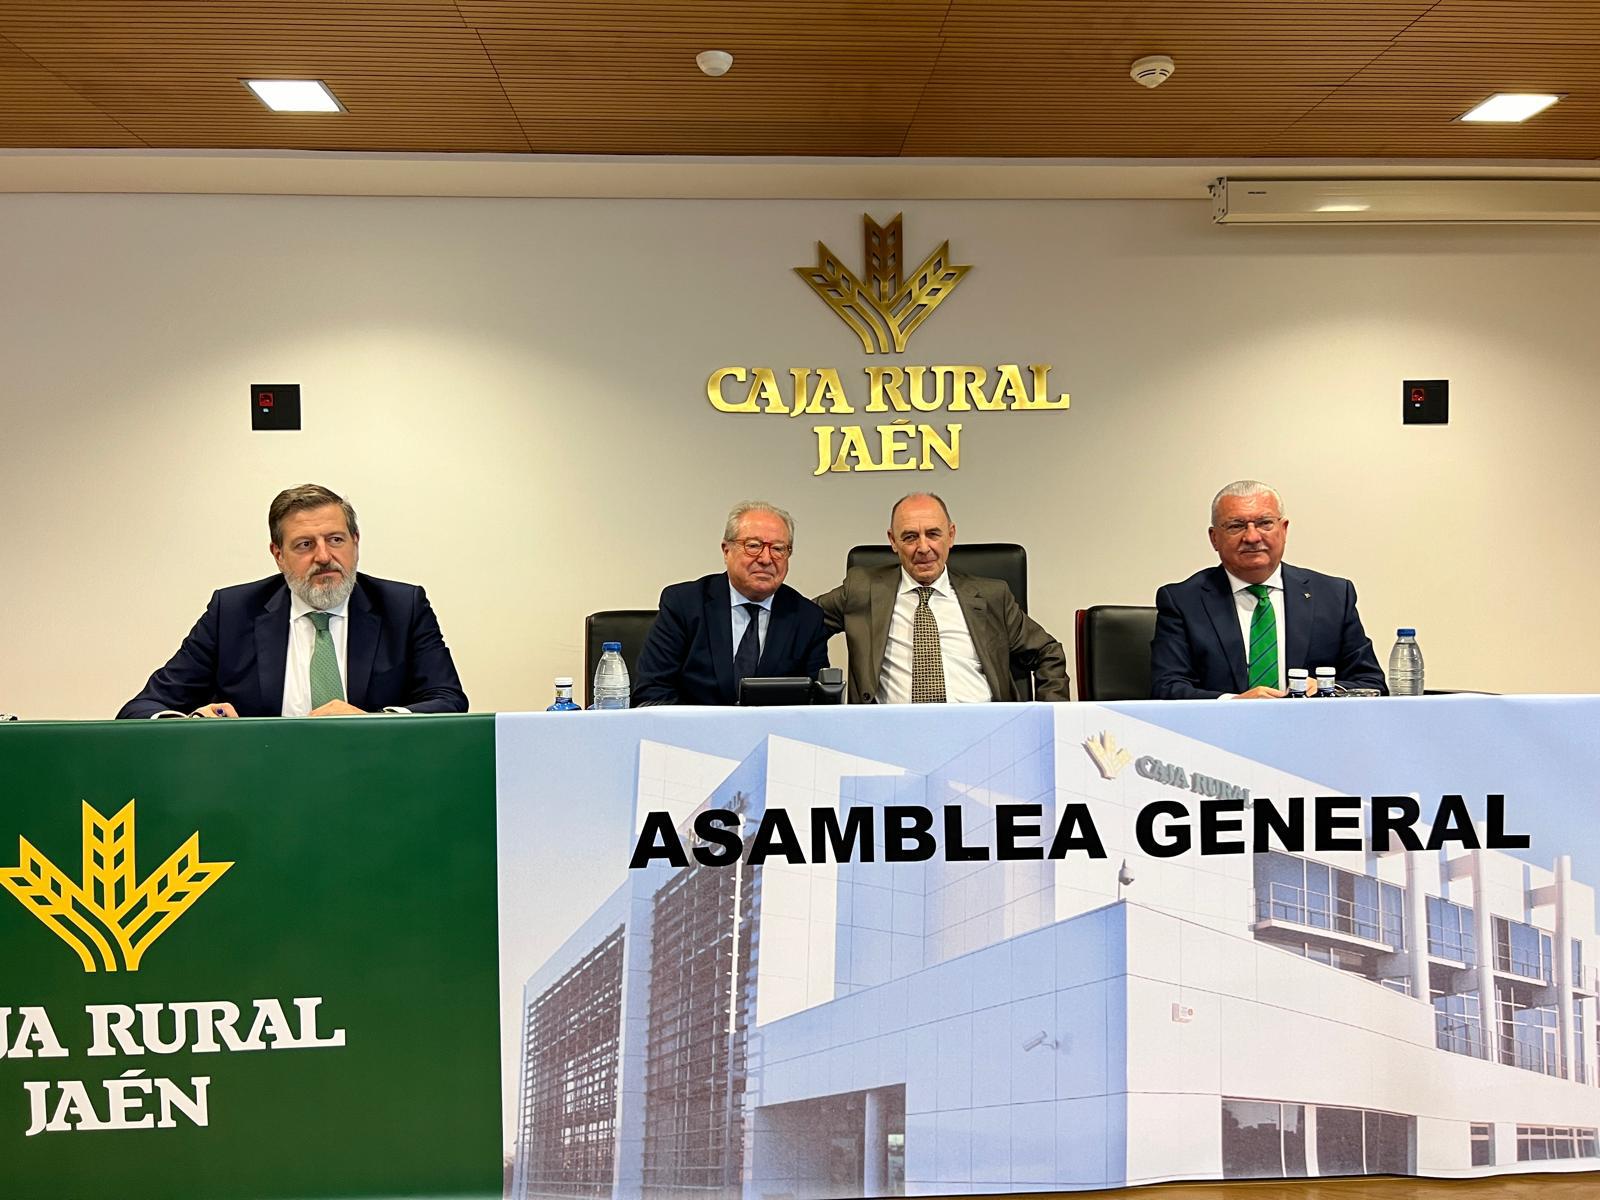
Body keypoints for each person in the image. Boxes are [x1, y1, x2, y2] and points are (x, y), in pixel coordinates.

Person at [117, 484, 468, 718]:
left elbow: (449, 701)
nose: (324, 556)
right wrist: (190, 722)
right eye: (304, 545)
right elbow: (142, 708)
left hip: (376, 780)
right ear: (278, 554)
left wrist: (375, 722)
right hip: (261, 788)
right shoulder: (233, 613)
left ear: (355, 542)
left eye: (335, 539)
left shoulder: (402, 608)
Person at [814, 493, 1069, 704]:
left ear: (951, 535)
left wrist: (1046, 718)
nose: (923, 548)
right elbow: (802, 623)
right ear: (893, 541)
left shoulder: (992, 596)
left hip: (982, 731)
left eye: (933, 534)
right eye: (910, 536)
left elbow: (1048, 652)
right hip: (891, 735)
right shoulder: (863, 589)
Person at [1150, 480, 1386, 700]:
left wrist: (1327, 690)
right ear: (1214, 538)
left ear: (1283, 530)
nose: (1252, 537)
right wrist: (1234, 702)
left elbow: (1371, 683)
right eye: (1236, 526)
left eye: (1264, 523)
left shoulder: (1333, 595)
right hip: (1219, 736)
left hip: (1314, 732)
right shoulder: (1183, 601)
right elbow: (1167, 687)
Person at [632, 501, 830, 706]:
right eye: (753, 546)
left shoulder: (806, 617)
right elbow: (653, 691)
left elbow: (817, 704)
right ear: (726, 550)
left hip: (774, 735)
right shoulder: (684, 604)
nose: (765, 558)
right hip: (693, 734)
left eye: (778, 549)